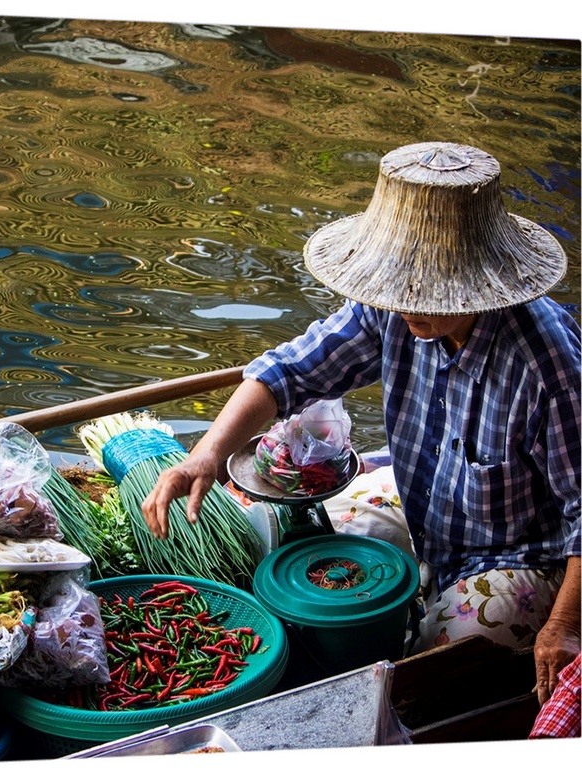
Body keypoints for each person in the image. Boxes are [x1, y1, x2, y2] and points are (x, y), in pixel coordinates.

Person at [141, 141, 580, 705]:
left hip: (530, 556)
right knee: (306, 543)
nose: (406, 307)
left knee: (434, 657)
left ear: (480, 285)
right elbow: (287, 373)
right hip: (432, 515)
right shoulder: (394, 306)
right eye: (398, 292)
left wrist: (565, 625)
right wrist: (205, 453)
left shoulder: (547, 364)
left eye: (428, 294)